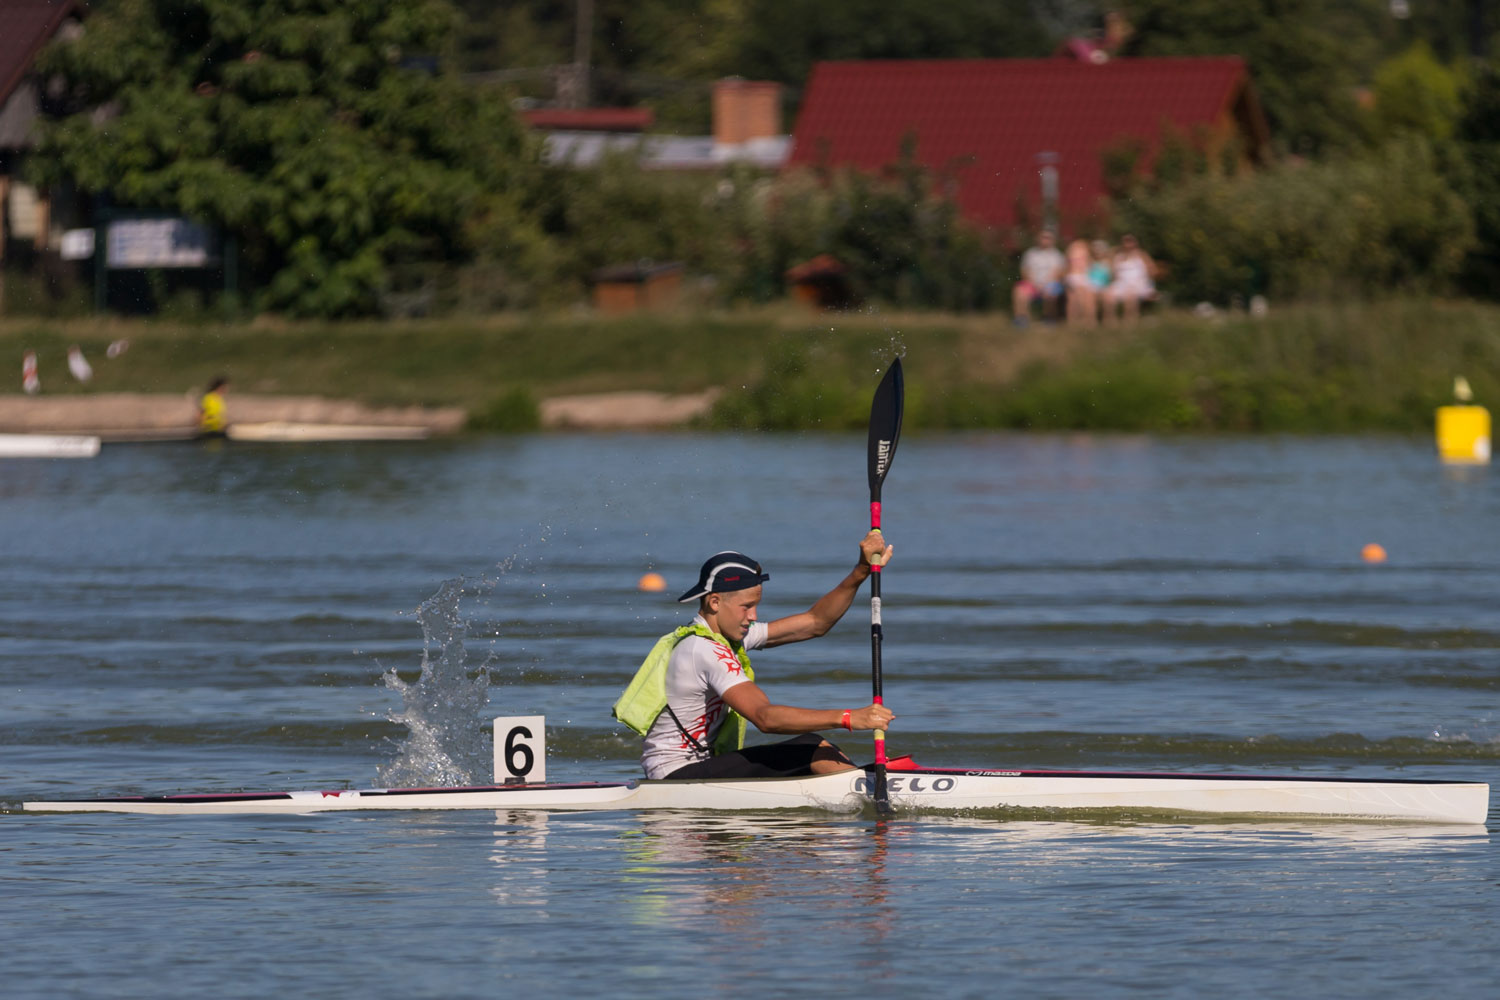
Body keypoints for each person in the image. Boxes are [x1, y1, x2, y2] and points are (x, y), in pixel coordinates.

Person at [613, 533, 897, 780]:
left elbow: (815, 623)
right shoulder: (704, 650)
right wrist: (849, 718)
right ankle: (865, 797)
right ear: (714, 602)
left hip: (699, 768)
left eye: (756, 606)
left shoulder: (725, 636)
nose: (754, 617)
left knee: (817, 752)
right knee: (812, 748)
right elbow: (765, 718)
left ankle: (847, 799)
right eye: (747, 607)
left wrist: (860, 571)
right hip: (674, 775)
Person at [1011, 229, 1065, 327]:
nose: (1045, 240)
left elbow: (1058, 273)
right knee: (1018, 291)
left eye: (1048, 238)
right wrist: (1034, 283)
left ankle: (1049, 319)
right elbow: (1025, 271)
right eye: (1043, 237)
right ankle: (1022, 319)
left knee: (1051, 292)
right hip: (1032, 283)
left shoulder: (1057, 255)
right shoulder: (1030, 254)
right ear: (1038, 239)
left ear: (1052, 240)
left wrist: (1046, 284)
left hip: (1050, 283)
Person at [1104, 234, 1158, 326]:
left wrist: (1149, 277)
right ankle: (1110, 321)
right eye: (1126, 241)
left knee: (1130, 294)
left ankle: (1129, 321)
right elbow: (1112, 272)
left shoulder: (1142, 255)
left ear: (1135, 243)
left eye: (1130, 241)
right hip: (1121, 284)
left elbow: (1153, 270)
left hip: (1139, 284)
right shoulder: (1118, 257)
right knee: (1108, 295)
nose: (1128, 244)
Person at [1063, 239, 1096, 327]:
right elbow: (1068, 268)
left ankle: (1088, 319)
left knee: (1089, 297)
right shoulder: (1071, 252)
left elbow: (1089, 266)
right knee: (1074, 296)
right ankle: (1075, 319)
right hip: (1073, 276)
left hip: (1084, 277)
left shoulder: (1085, 253)